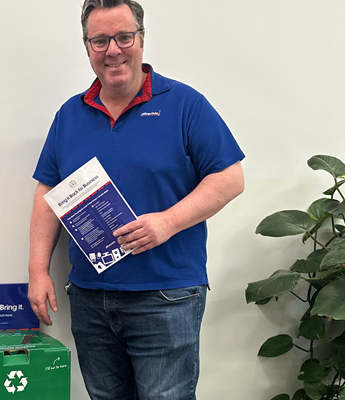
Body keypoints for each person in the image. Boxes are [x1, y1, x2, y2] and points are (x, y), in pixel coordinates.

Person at [27, 1, 244, 399]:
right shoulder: (69, 116)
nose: (113, 50)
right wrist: (38, 270)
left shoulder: (185, 104)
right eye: (100, 40)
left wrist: (168, 221)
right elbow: (47, 192)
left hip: (166, 297)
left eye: (124, 36)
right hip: (90, 296)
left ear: (141, 39)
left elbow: (230, 178)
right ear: (87, 45)